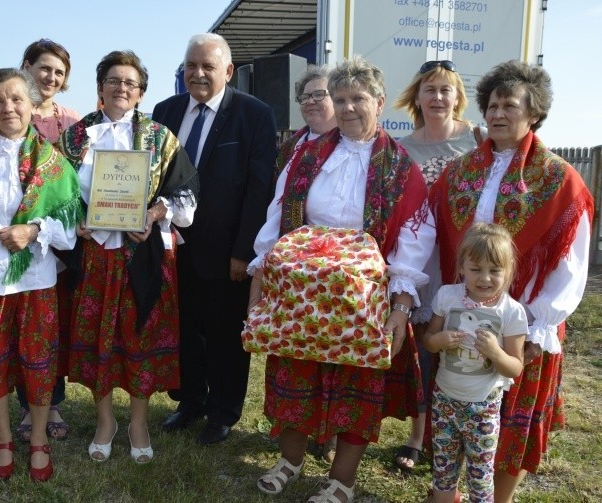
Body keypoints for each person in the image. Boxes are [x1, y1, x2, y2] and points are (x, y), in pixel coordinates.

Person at [248, 57, 435, 503]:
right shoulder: (307, 155)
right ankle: (290, 461)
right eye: (342, 98)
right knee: (294, 378)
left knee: (357, 389)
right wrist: (261, 279)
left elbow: (415, 234)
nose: (349, 108)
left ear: (380, 102)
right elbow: (278, 215)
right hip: (299, 296)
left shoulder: (400, 166)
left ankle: (342, 480)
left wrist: (402, 305)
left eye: (359, 99)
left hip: (363, 300)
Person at [429, 60, 594, 503]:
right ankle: (447, 490)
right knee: (457, 409)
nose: (499, 114)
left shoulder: (561, 179)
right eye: (493, 105)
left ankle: (497, 500)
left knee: (512, 419)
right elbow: (436, 232)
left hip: (523, 323)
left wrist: (539, 324)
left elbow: (570, 263)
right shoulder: (461, 171)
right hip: (465, 312)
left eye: (510, 106)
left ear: (534, 113)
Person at [57, 50, 199, 463]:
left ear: (141, 93)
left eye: (130, 83)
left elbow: (187, 196)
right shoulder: (73, 138)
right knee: (97, 338)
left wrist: (155, 214)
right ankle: (106, 420)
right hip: (95, 254)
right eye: (114, 81)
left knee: (139, 337)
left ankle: (138, 422)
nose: (122, 88)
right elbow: (53, 196)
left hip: (141, 255)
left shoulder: (161, 137)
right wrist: (76, 220)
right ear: (100, 87)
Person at [0, 68, 83, 482]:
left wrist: (34, 229)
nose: (8, 107)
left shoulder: (53, 161)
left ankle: (39, 437)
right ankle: (4, 438)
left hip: (34, 282)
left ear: (31, 104)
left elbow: (72, 220)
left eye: (16, 99)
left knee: (38, 364)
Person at [152, 33, 276, 445]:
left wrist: (245, 251)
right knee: (184, 329)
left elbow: (260, 188)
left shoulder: (254, 114)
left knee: (226, 334)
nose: (198, 74)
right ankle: (189, 401)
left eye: (208, 66)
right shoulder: (165, 111)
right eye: (191, 65)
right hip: (172, 246)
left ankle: (223, 411)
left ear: (228, 71)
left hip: (226, 251)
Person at [391, 59, 483, 473]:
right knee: (422, 347)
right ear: (417, 96)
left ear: (457, 97)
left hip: (462, 260)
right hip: (420, 261)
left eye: (446, 89)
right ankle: (418, 435)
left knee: (460, 343)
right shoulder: (402, 148)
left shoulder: (478, 141)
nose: (438, 97)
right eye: (430, 89)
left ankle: (458, 440)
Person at [0, 38, 82, 444]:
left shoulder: (76, 122)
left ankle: (53, 402)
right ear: (27, 67)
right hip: (13, 250)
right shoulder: (5, 115)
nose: (50, 77)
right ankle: (26, 409)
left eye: (59, 73)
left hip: (65, 242)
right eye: (44, 68)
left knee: (54, 328)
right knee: (20, 330)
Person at [423, 222, 526, 503]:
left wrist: (495, 352)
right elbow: (428, 340)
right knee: (443, 468)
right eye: (476, 269)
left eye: (495, 270)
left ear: (508, 271)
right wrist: (440, 339)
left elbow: (515, 366)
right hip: (444, 400)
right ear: (462, 268)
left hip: (483, 406)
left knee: (480, 476)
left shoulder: (512, 312)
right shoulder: (447, 295)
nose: (485, 278)